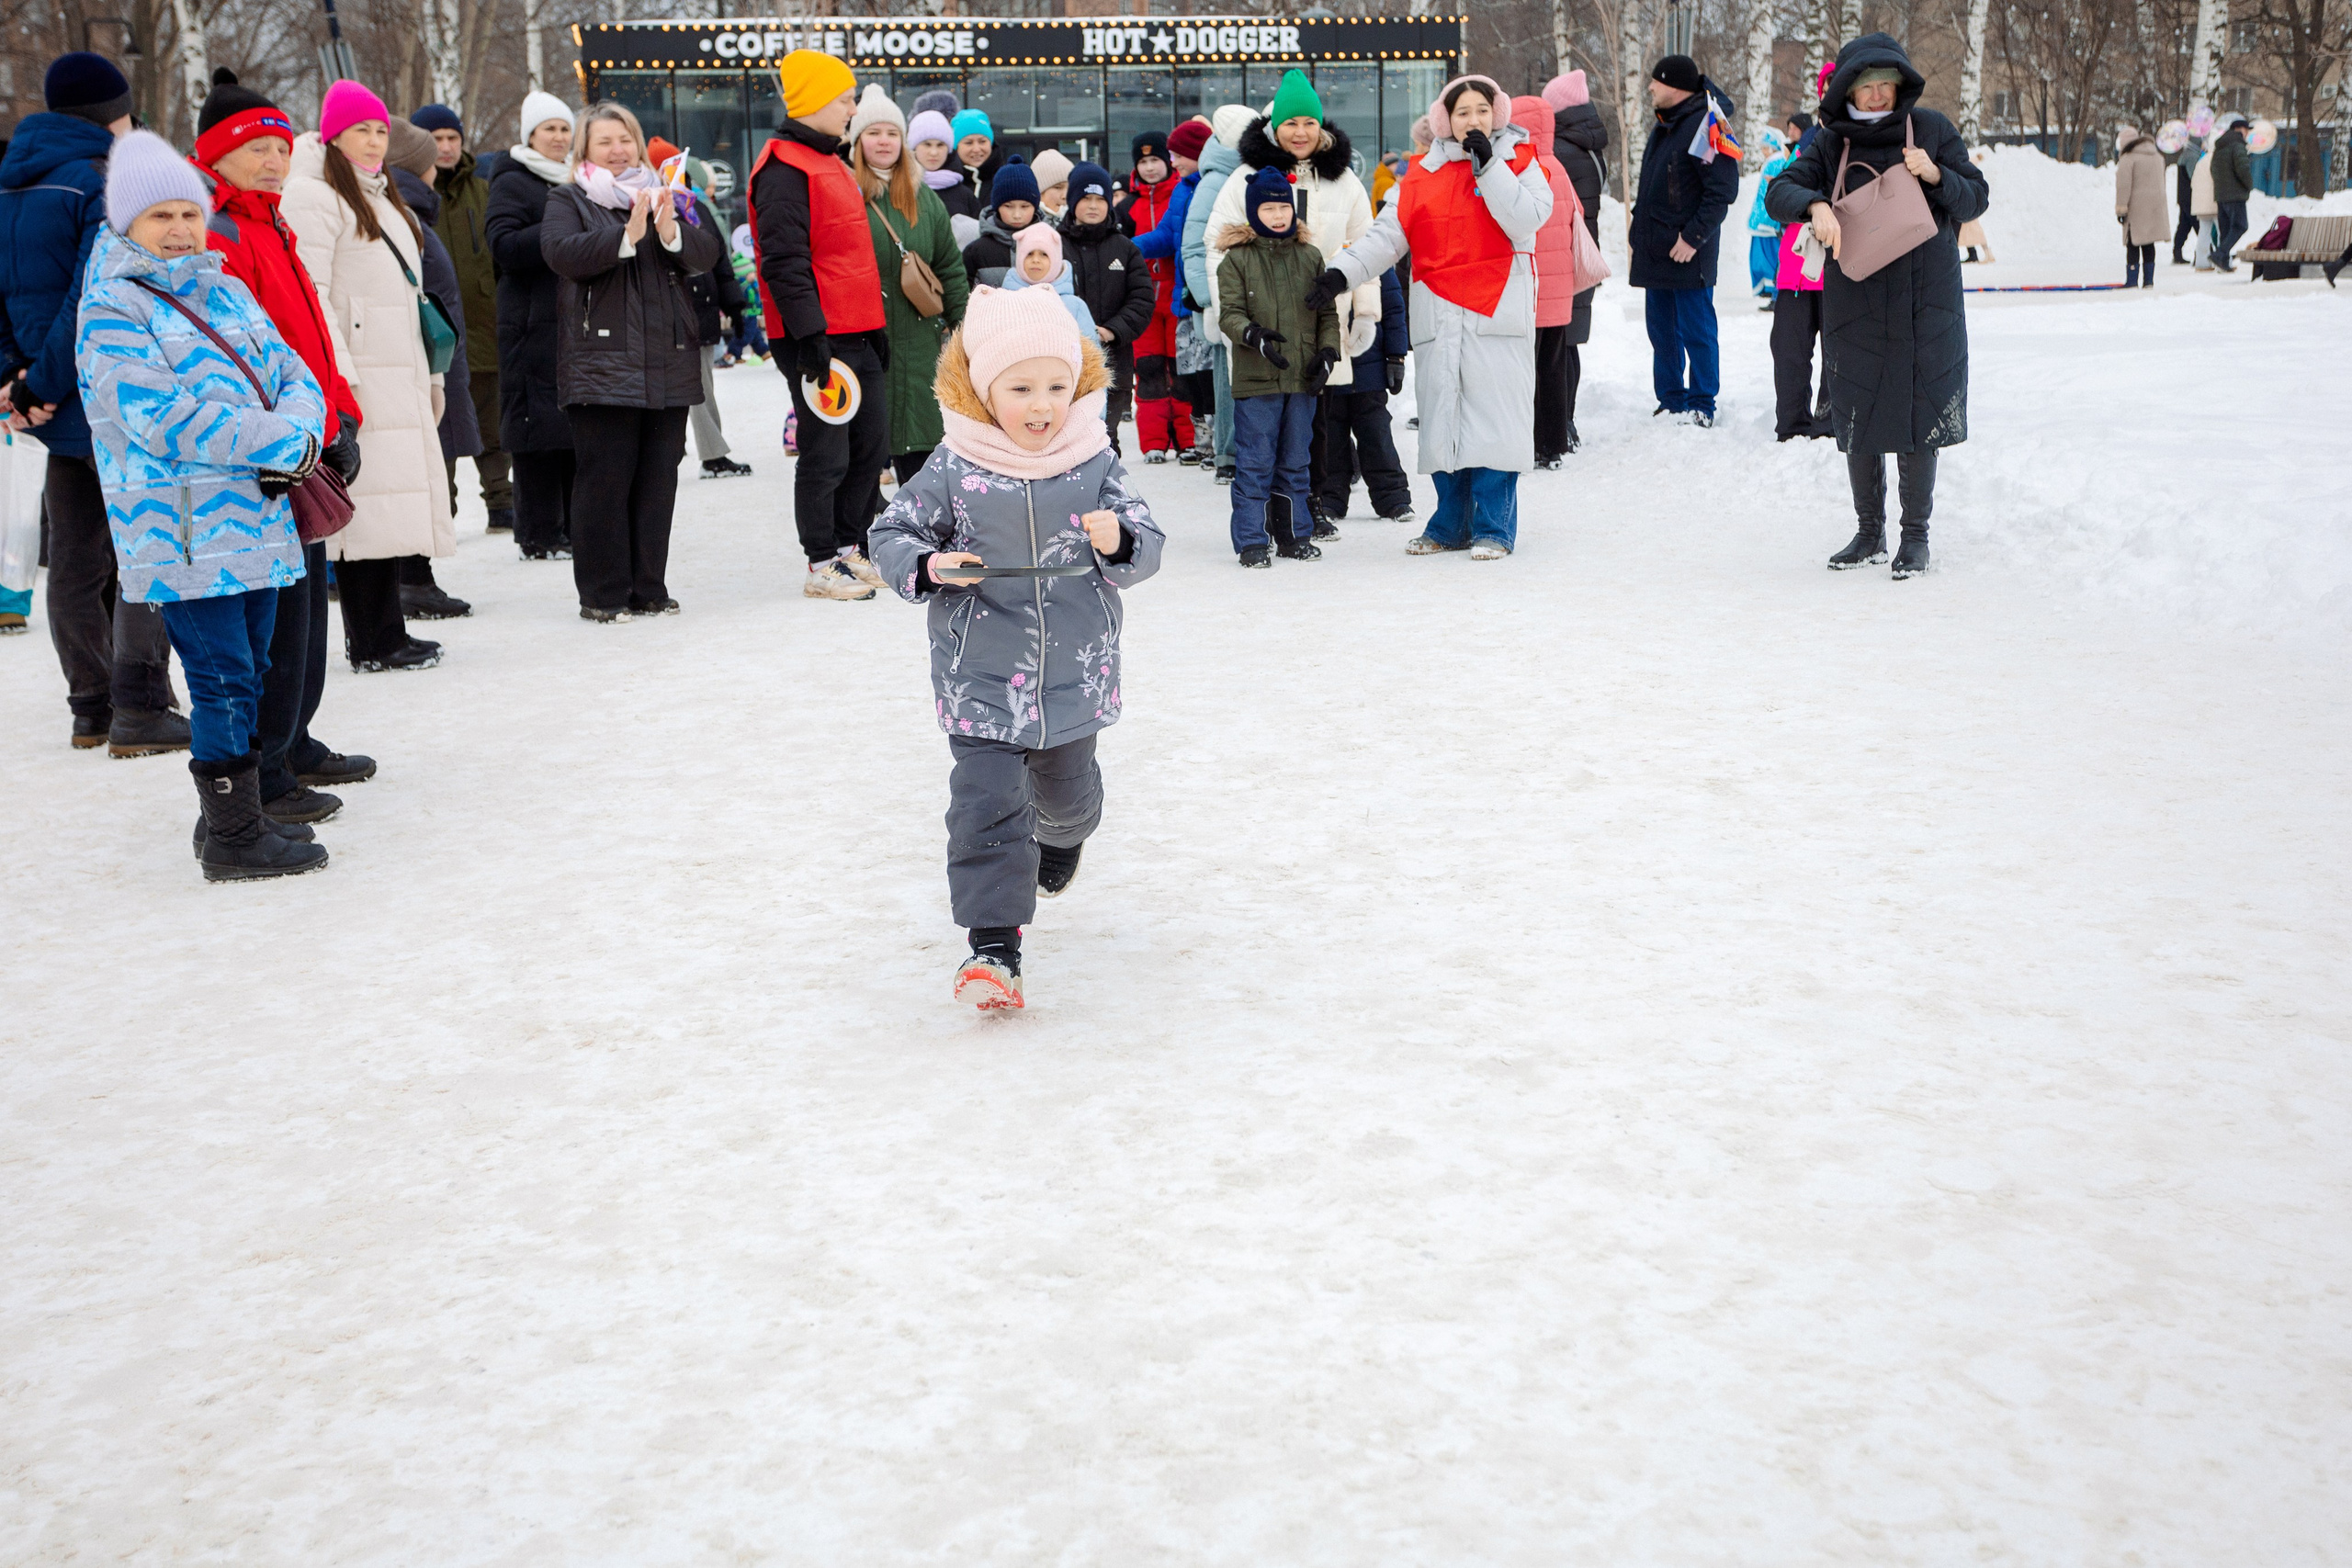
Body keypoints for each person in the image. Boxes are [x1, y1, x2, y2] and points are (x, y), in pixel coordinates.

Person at [866, 285, 1166, 1012]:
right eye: (1021, 388)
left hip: (1072, 676)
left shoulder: (1092, 457)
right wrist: (929, 564)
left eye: (1057, 387)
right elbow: (890, 532)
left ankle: (1066, 834)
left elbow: (1146, 536)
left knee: (1065, 798)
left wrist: (1119, 538)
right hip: (983, 679)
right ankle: (994, 947)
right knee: (986, 805)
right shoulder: (954, 465)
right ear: (981, 389)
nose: (1041, 406)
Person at [78, 131, 331, 879]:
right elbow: (160, 414)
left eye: (190, 212)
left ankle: (231, 815)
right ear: (127, 224)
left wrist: (301, 428)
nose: (182, 229)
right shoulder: (110, 309)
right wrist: (281, 443)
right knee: (221, 678)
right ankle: (233, 837)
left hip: (258, 516)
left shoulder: (225, 287)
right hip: (185, 533)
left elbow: (292, 370)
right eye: (160, 216)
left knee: (249, 668)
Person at [189, 68, 379, 821]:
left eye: (278, 143)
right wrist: (288, 438)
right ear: (215, 156)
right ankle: (267, 764)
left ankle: (293, 738)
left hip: (308, 434)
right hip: (268, 451)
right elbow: (238, 351)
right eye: (256, 147)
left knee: (306, 608)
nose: (274, 159)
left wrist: (340, 416)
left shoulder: (272, 220)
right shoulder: (216, 229)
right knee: (279, 614)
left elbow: (309, 336)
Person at [0, 51, 186, 756]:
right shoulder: (99, 184)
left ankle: (90, 705)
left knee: (76, 560)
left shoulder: (9, 182)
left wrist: (16, 380)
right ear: (116, 113)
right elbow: (92, 299)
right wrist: (41, 384)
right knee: (143, 546)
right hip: (104, 395)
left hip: (46, 399)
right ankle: (140, 702)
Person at [1767, 33, 1987, 580]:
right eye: (1865, 87)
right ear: (1847, 89)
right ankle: (1869, 533)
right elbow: (1780, 191)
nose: (1876, 96)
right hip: (1857, 300)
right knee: (1859, 411)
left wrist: (1935, 175)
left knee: (1918, 413)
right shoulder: (1829, 142)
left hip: (1926, 299)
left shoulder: (1931, 129)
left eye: (1885, 85)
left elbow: (1976, 195)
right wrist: (1814, 202)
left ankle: (1915, 539)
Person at [1314, 75, 1550, 560]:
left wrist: (1490, 169)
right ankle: (1448, 525)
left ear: (1497, 112)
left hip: (1496, 309)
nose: (1473, 120)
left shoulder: (1522, 161)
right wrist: (1341, 274)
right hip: (1439, 313)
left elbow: (1526, 219)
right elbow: (1385, 238)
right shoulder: (1419, 174)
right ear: (1446, 119)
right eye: (1462, 112)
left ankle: (1493, 528)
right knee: (1444, 422)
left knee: (1494, 424)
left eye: (1481, 110)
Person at [278, 78, 454, 672]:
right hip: (359, 375)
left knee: (385, 508)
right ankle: (373, 639)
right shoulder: (312, 195)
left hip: (397, 368)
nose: (375, 140)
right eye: (361, 129)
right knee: (364, 509)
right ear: (332, 135)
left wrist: (430, 375)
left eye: (381, 129)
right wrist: (342, 377)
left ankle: (386, 630)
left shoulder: (380, 194)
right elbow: (313, 294)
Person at [537, 102, 722, 622]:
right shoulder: (569, 198)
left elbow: (706, 254)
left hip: (669, 360)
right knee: (604, 478)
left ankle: (649, 587)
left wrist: (670, 232)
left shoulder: (670, 194)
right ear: (585, 151)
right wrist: (624, 236)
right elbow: (561, 253)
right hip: (601, 364)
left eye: (626, 140)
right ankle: (602, 592)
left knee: (658, 477)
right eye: (605, 142)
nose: (618, 151)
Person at [1204, 70, 1380, 533]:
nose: (1299, 132)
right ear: (1273, 128)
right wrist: (1227, 316)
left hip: (1319, 319)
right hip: (1260, 323)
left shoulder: (1343, 180)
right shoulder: (1245, 178)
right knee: (1263, 429)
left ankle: (1309, 505)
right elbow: (1215, 246)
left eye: (1308, 122)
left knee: (1316, 421)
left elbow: (1368, 247)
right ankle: (1260, 518)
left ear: (1320, 126)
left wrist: (1366, 310)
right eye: (1289, 123)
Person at [748, 51, 891, 603]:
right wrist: (810, 336)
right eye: (846, 98)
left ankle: (852, 547)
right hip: (818, 338)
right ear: (814, 102)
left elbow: (850, 254)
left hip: (856, 329)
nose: (853, 107)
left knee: (869, 446)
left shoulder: (830, 159)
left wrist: (872, 326)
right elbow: (784, 261)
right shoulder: (783, 166)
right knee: (826, 451)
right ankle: (821, 559)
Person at [1218, 165, 1342, 566]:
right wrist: (1253, 335)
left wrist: (1327, 352)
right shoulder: (1236, 260)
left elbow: (1327, 314)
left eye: (1282, 207)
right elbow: (1229, 314)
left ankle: (1294, 535)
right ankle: (1253, 540)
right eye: (1268, 208)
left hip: (1300, 376)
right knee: (1255, 462)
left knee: (1296, 460)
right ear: (1255, 212)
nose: (1277, 215)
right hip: (1257, 379)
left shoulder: (1310, 257)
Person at [849, 84, 970, 485]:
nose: (884, 141)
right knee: (865, 448)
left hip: (921, 342)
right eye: (873, 132)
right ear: (856, 140)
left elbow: (949, 265)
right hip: (865, 339)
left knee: (923, 449)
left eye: (891, 133)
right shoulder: (845, 193)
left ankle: (923, 538)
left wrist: (964, 326)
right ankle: (861, 537)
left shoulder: (923, 197)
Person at [385, 118, 478, 624]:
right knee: (420, 475)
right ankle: (411, 580)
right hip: (422, 370)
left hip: (432, 366)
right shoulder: (405, 216)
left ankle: (415, 577)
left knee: (427, 474)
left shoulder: (412, 212)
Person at [409, 103, 511, 534]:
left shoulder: (484, 190)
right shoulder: (406, 195)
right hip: (433, 329)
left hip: (485, 324)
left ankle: (502, 501)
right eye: (436, 139)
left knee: (493, 420)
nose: (446, 147)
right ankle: (441, 507)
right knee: (440, 421)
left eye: (453, 138)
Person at [486, 92, 576, 561]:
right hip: (527, 321)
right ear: (530, 136)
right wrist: (557, 233)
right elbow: (501, 245)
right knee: (535, 429)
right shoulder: (513, 179)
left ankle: (571, 528)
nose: (559, 138)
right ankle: (538, 533)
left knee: (568, 426)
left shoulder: (578, 177)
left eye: (565, 128)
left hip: (567, 319)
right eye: (550, 130)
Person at [1632, 55, 1739, 427]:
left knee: (1696, 330)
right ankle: (1671, 399)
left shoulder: (1707, 124)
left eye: (1655, 81)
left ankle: (1702, 403)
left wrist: (1693, 238)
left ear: (1674, 85)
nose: (1650, 88)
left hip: (1688, 251)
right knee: (1661, 331)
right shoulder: (1665, 125)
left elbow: (1722, 190)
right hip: (1657, 249)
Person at [647, 136, 752, 480]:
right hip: (668, 313)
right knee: (682, 390)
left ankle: (710, 453)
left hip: (701, 310)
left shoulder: (697, 207)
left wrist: (735, 304)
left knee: (701, 386)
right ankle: (697, 453)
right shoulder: (650, 206)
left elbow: (718, 258)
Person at [1057, 162, 1157, 454]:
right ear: (1073, 201)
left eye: (1100, 199)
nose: (1092, 206)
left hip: (1114, 363)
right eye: (1085, 199)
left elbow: (1141, 299)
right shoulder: (1055, 245)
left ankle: (1108, 496)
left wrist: (1113, 330)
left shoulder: (1124, 248)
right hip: (1063, 361)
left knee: (1105, 439)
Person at [1130, 118, 1213, 464]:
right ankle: (1163, 441)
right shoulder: (1184, 189)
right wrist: (1126, 248)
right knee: (1158, 369)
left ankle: (1197, 441)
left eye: (1174, 156)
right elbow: (1166, 235)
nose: (1170, 163)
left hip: (1199, 292)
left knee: (1194, 373)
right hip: (1171, 295)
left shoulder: (1206, 187)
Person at [1182, 106, 1256, 484]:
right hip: (1223, 295)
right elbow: (1194, 244)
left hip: (1250, 290)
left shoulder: (1249, 173)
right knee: (1228, 379)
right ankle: (1228, 453)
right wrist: (1209, 299)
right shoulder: (1216, 180)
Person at [1542, 70, 1609, 457]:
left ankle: (1561, 422)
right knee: (1568, 344)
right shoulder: (1586, 144)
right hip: (1582, 252)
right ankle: (1565, 419)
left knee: (1560, 345)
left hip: (1564, 254)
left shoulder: (1563, 152)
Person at [1515, 92, 1583, 469]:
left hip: (1530, 286)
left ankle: (1527, 442)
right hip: (1558, 292)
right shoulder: (1558, 167)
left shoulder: (1520, 168)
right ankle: (1554, 444)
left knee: (1525, 371)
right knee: (1554, 368)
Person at [1313, 264, 1410, 525]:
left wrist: (1395, 356)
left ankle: (1393, 498)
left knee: (1377, 436)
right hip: (1332, 369)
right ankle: (1331, 498)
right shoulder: (1321, 258)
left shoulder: (1375, 262)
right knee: (1331, 438)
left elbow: (1393, 309)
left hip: (1371, 369)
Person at [1118, 130, 1193, 464]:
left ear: (1169, 162)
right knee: (1147, 370)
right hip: (1143, 301)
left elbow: (1168, 236)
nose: (1150, 168)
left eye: (1156, 160)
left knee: (1181, 370)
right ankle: (1153, 443)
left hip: (1176, 298)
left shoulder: (1181, 192)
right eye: (1143, 161)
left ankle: (1188, 439)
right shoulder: (1128, 207)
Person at [1009, 225, 1096, 337]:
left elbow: (1091, 349)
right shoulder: (1004, 301)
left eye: (1044, 255)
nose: (1035, 260)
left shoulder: (1074, 305)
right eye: (1029, 254)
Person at [961, 162, 1039, 287]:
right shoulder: (976, 252)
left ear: (1035, 207)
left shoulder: (1052, 245)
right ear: (997, 207)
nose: (1017, 215)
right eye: (1008, 206)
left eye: (1025, 206)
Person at [907, 106, 975, 246]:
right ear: (914, 147)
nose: (934, 152)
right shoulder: (900, 188)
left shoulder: (965, 194)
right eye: (927, 144)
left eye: (940, 145)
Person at [1745, 125, 1792, 301]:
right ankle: (1768, 289)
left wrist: (1767, 217)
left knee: (1769, 256)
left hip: (1767, 219)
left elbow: (1770, 192)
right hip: (1764, 218)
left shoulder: (1775, 162)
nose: (1764, 151)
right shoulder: (1774, 161)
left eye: (1766, 147)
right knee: (1762, 257)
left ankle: (1774, 291)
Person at [2115, 128, 2166, 288]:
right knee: (2148, 242)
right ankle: (2149, 281)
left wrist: (2121, 209)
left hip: (2136, 208)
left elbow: (2123, 187)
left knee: (2133, 243)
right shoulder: (2157, 157)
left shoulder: (2128, 159)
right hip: (2154, 207)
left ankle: (2132, 280)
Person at [2209, 113, 2252, 272]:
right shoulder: (2237, 145)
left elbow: (2213, 170)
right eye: (2246, 129)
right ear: (2239, 129)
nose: (2247, 133)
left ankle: (2224, 263)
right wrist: (2248, 185)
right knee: (2240, 225)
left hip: (2221, 195)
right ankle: (2220, 254)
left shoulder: (2220, 147)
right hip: (2235, 194)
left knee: (2226, 230)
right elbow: (2243, 168)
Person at [947, 109, 1001, 219]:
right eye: (968, 143)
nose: (976, 149)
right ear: (956, 147)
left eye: (982, 141)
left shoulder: (1005, 180)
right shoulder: (947, 183)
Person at [2170, 139, 2199, 265]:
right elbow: (2194, 176)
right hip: (2190, 196)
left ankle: (2177, 253)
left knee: (2184, 225)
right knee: (2199, 225)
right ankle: (2205, 252)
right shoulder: (2192, 156)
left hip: (2183, 196)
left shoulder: (2186, 154)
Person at [1030, 149, 1075, 226]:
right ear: (1039, 192)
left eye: (1070, 188)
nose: (1065, 196)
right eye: (1058, 188)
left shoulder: (1078, 224)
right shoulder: (1025, 226)